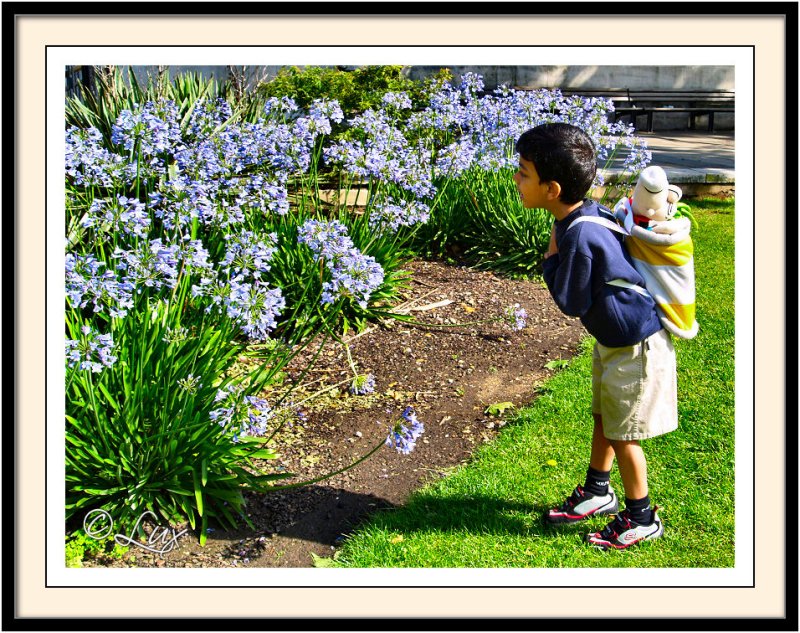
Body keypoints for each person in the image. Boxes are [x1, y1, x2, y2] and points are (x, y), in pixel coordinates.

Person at [513, 122, 678, 550]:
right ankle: (597, 492)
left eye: (524, 172)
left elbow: (570, 299)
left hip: (635, 345)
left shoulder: (580, 232)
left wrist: (550, 259)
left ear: (551, 189)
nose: (516, 178)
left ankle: (641, 517)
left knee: (624, 433)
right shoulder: (580, 215)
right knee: (605, 416)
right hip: (615, 339)